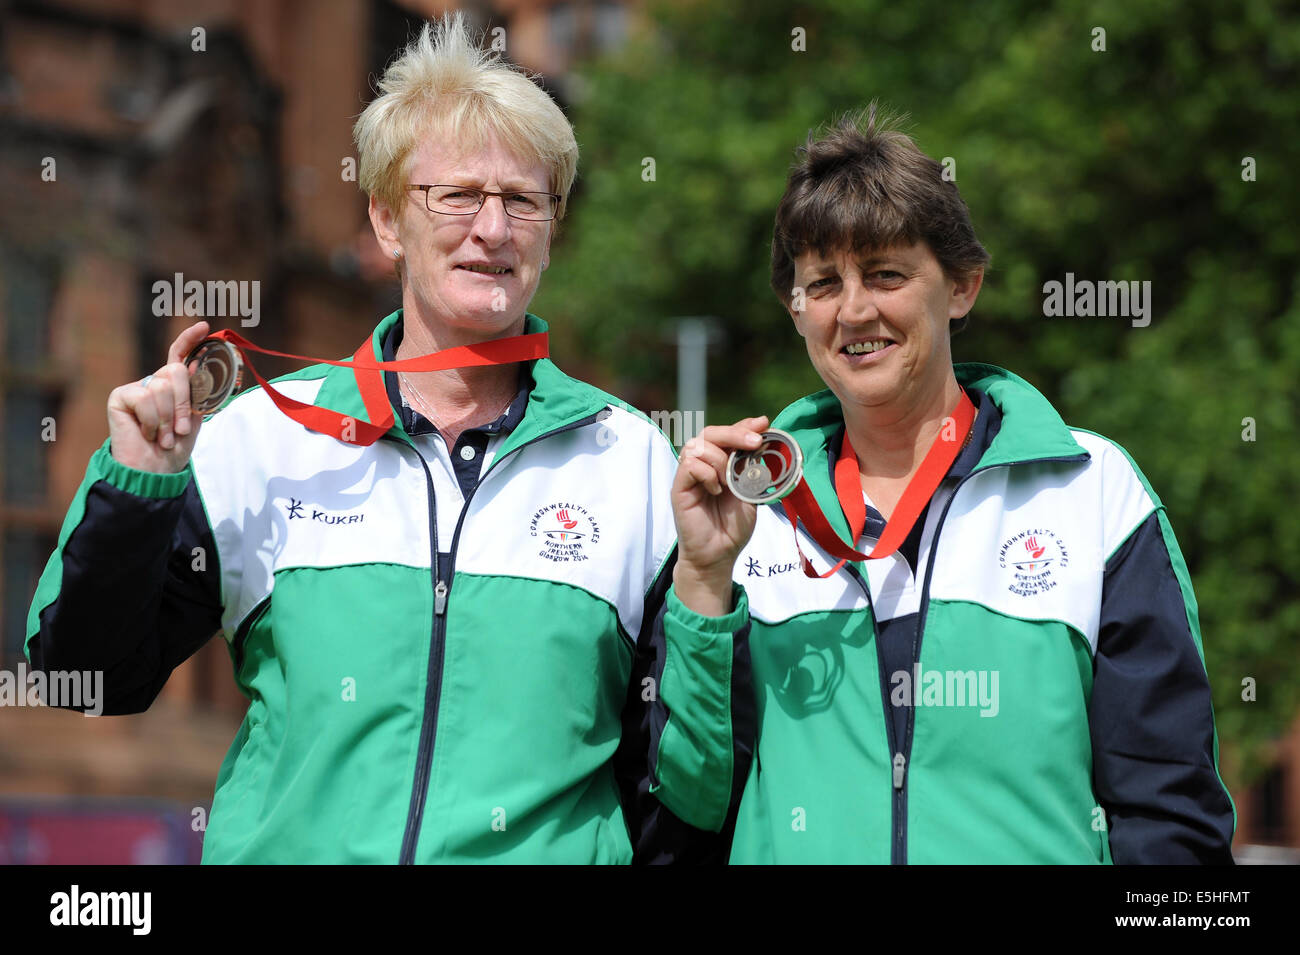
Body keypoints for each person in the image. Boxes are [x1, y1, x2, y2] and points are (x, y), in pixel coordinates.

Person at [24, 14, 748, 864]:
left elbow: (689, 798)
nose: (493, 228)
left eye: (524, 200)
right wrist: (136, 487)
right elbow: (91, 674)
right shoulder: (260, 436)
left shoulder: (631, 461)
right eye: (458, 195)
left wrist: (707, 585)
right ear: (386, 221)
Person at [666, 105, 1236, 863]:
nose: (856, 309)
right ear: (794, 310)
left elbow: (1169, 811)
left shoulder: (1093, 491)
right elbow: (695, 801)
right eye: (823, 284)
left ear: (962, 286)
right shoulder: (749, 511)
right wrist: (704, 580)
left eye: (886, 274)